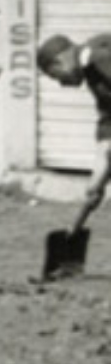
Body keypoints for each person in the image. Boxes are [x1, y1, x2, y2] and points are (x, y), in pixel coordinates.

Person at [36, 34, 111, 241]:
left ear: (60, 60)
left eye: (56, 75)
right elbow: (108, 123)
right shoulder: (93, 72)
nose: (61, 83)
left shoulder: (99, 57)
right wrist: (96, 181)